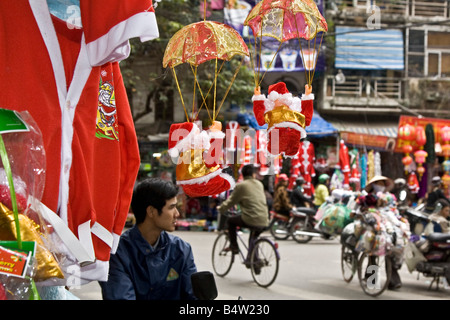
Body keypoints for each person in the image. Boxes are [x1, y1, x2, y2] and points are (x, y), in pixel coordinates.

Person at [100, 178, 198, 300]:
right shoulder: (118, 253)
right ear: (151, 211)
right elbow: (120, 296)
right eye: (171, 207)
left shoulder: (181, 249)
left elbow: (193, 296)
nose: (177, 214)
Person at [218, 164, 269, 254]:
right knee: (253, 238)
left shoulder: (241, 186)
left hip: (251, 219)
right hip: (264, 219)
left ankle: (234, 247)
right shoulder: (259, 184)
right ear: (253, 174)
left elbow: (231, 201)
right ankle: (253, 260)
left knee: (231, 222)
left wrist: (221, 208)